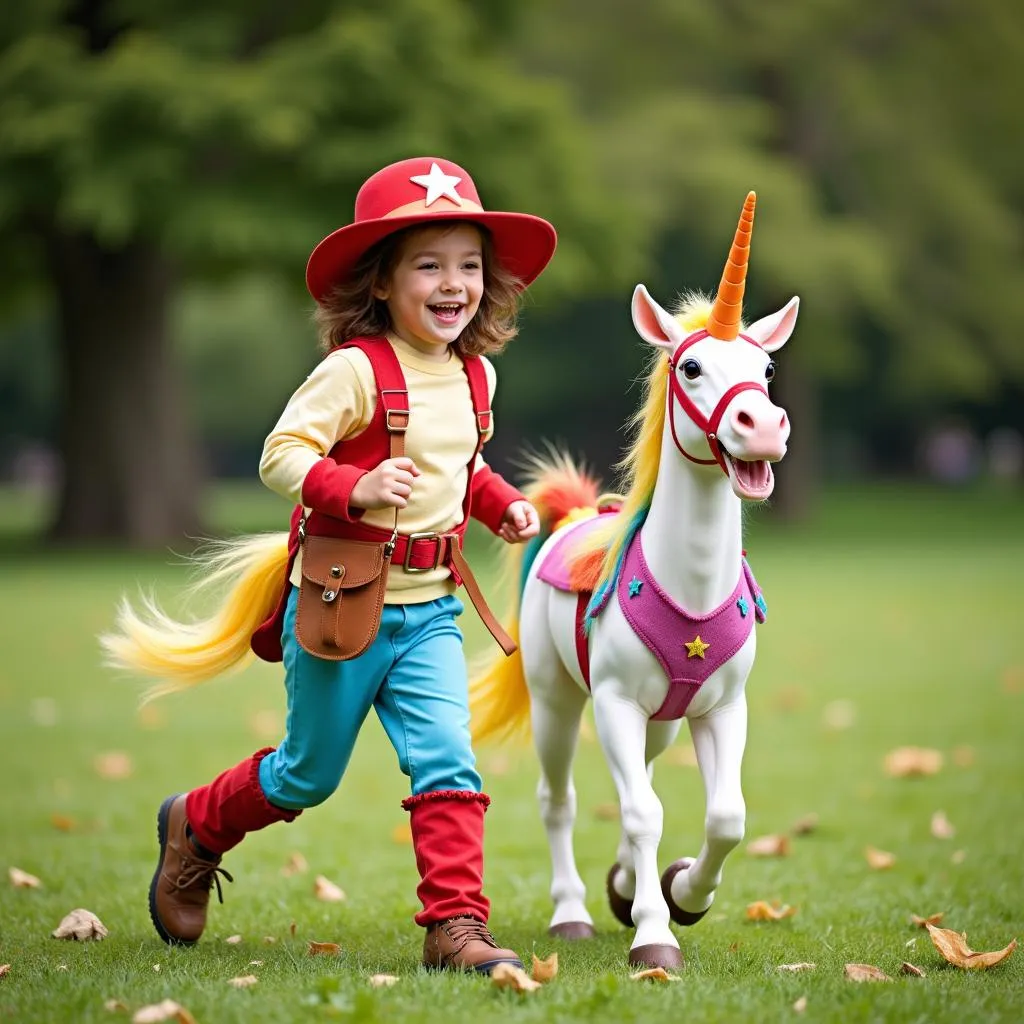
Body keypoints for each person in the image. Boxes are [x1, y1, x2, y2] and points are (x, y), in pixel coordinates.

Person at [101, 156, 557, 973]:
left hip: (432, 616)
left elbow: (463, 468)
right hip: (345, 606)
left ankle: (455, 927)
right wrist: (355, 483)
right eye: (429, 265)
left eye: (469, 266)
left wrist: (501, 506)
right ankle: (196, 827)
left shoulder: (476, 375)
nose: (454, 285)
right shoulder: (355, 370)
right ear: (380, 282)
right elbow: (282, 454)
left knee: (449, 758)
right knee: (306, 774)